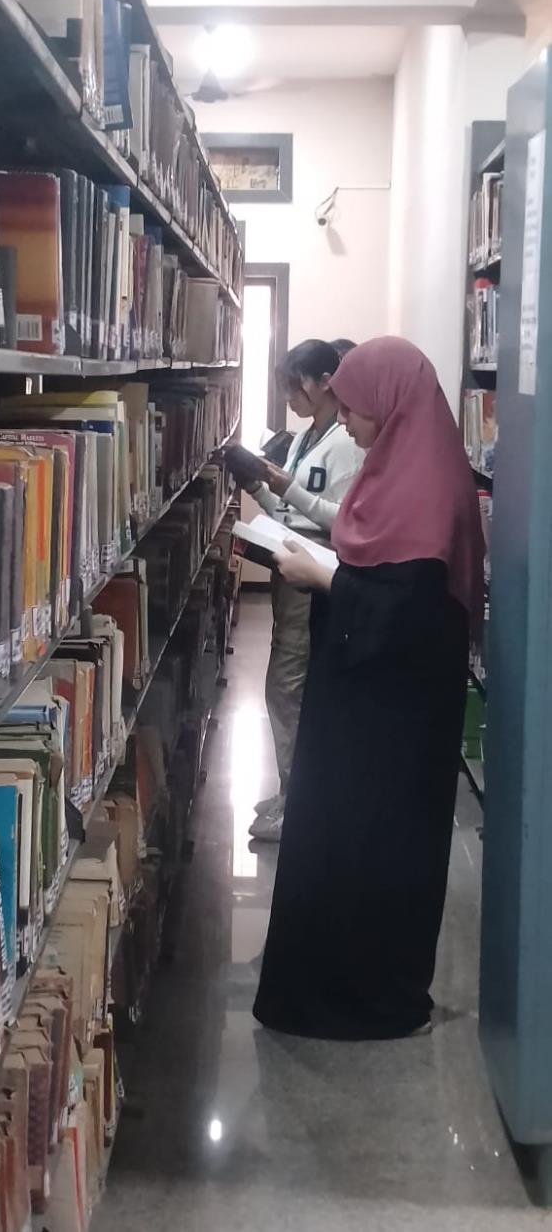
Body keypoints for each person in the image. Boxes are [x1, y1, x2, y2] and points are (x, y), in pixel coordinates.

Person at [253, 337, 485, 1040]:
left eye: (354, 411)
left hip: (397, 725)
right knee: (335, 842)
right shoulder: (398, 472)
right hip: (364, 711)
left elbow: (411, 609)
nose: (346, 422)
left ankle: (367, 999)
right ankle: (318, 988)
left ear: (391, 405)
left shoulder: (429, 487)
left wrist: (326, 577)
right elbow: (378, 567)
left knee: (374, 852)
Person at [247, 338, 363, 842]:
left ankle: (298, 802)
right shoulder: (303, 439)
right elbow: (289, 512)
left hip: (315, 573)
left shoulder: (347, 443)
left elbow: (346, 523)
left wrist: (288, 489)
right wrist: (256, 486)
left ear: (325, 383)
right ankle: (290, 791)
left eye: (296, 388)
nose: (290, 398)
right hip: (290, 567)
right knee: (285, 683)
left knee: (288, 688)